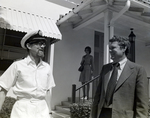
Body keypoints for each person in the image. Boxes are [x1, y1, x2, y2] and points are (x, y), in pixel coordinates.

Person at [0, 30, 55, 118]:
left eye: (43, 44)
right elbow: (3, 89)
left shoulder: (47, 67)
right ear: (29, 46)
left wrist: (50, 112)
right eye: (38, 43)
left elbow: (47, 91)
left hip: (42, 111)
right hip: (22, 110)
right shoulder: (17, 65)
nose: (42, 46)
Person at [91, 36, 149, 118]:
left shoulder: (138, 70)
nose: (109, 51)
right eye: (109, 48)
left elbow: (142, 103)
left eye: (113, 48)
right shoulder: (105, 68)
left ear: (124, 48)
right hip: (102, 114)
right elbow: (98, 95)